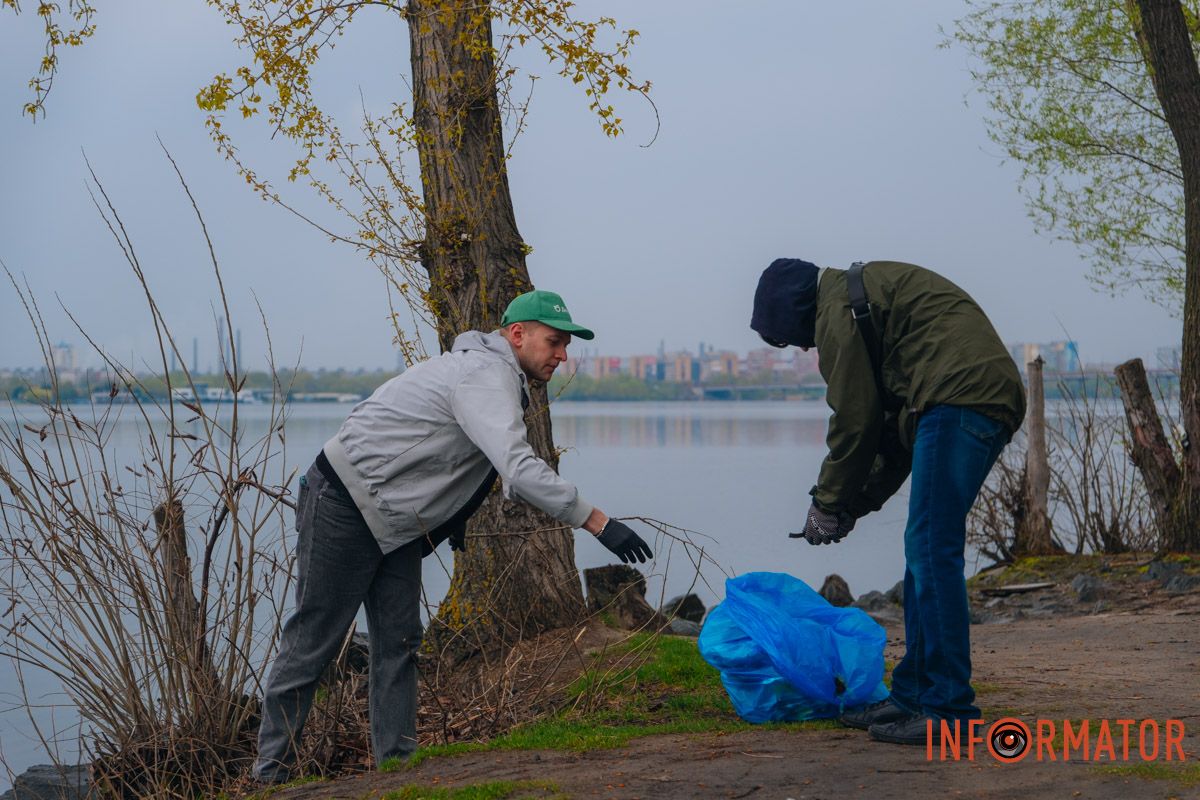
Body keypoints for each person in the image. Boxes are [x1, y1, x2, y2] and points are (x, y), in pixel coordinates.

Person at [253, 289, 653, 781]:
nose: (563, 355)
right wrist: (599, 523)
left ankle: (397, 772)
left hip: (394, 521)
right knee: (314, 639)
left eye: (566, 345)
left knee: (399, 643)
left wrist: (452, 516)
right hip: (344, 504)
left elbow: (452, 456)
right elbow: (520, 470)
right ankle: (270, 776)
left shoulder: (491, 374)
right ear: (517, 334)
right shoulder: (486, 375)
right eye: (554, 342)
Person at [750, 258, 1024, 746]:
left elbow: (855, 420)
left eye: (789, 337)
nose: (800, 346)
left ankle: (948, 709)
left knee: (931, 550)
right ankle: (915, 694)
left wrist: (827, 503)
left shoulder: (834, 311)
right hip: (961, 396)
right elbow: (890, 440)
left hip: (963, 395)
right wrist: (851, 506)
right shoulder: (853, 306)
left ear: (792, 309)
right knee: (924, 550)